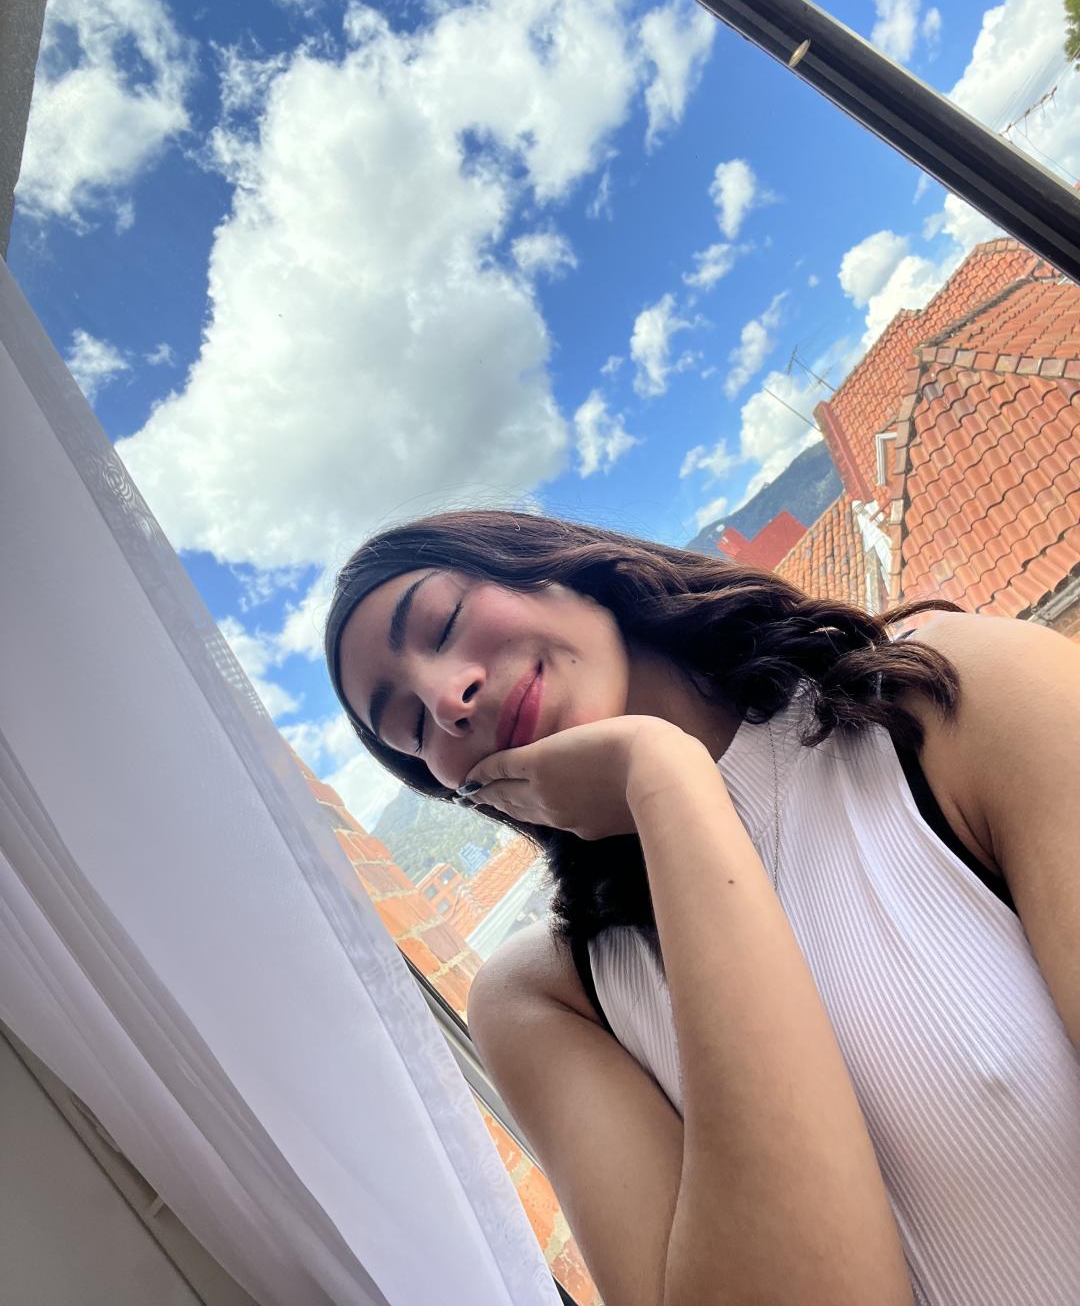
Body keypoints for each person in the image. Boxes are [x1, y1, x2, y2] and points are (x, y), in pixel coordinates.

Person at [324, 508, 1080, 1306]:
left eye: (444, 621)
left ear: (561, 571)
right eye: (410, 726)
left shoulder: (954, 694)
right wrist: (663, 783)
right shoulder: (545, 1000)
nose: (447, 698)